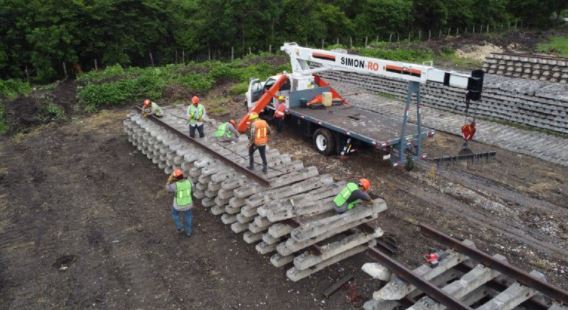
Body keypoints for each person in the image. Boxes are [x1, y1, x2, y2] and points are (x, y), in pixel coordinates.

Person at [165, 168, 193, 237]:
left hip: (178, 205)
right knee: (188, 216)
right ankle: (188, 232)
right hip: (188, 204)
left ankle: (180, 227)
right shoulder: (189, 182)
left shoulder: (175, 185)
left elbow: (167, 188)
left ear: (175, 177)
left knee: (175, 215)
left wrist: (169, 180)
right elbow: (192, 189)